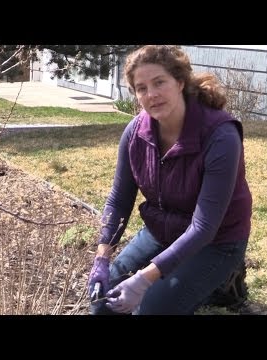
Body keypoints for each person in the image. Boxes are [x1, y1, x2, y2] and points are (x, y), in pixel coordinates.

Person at [87, 45, 252, 315]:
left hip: (217, 241)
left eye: (159, 82)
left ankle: (225, 278)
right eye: (141, 88)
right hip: (163, 231)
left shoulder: (220, 136)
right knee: (102, 303)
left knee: (152, 309)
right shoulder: (135, 133)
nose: (151, 94)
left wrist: (143, 279)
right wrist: (102, 259)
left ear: (180, 82)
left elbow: (204, 227)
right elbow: (119, 200)